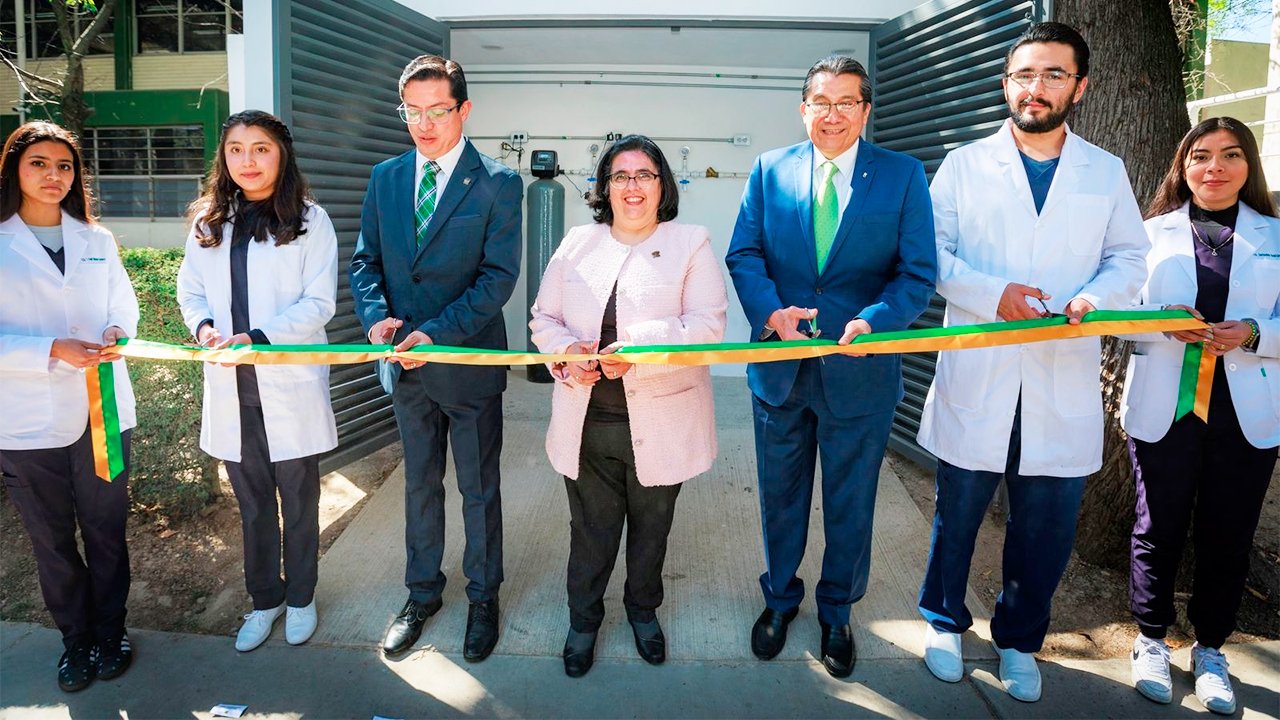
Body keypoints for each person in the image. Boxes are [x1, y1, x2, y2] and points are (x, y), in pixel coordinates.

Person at [914, 22, 1149, 702]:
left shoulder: (1103, 170)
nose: (1036, 88)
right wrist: (994, 295)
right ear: (1005, 83)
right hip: (981, 369)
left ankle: (1019, 638)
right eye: (1024, 75)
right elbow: (931, 254)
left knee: (1044, 526)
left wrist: (1092, 299)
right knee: (956, 514)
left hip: (1061, 370)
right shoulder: (963, 163)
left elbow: (1128, 258)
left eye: (1052, 75)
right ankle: (943, 622)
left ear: (1081, 86)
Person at [725, 55, 937, 678]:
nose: (833, 113)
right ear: (803, 108)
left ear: (866, 110)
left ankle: (838, 611)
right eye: (821, 101)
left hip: (861, 369)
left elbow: (916, 272)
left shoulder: (901, 175)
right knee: (780, 497)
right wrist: (769, 315)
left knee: (851, 499)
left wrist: (876, 318)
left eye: (847, 102)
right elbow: (745, 253)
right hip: (782, 369)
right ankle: (780, 599)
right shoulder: (770, 170)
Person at [529, 134, 728, 678]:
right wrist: (566, 352)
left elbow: (709, 326)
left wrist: (639, 348)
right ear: (604, 187)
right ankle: (583, 622)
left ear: (662, 186)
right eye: (620, 176)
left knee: (651, 527)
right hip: (587, 420)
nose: (632, 186)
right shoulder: (576, 244)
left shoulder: (690, 243)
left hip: (663, 421)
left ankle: (643, 612)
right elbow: (542, 319)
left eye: (644, 175)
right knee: (590, 530)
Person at [349, 54, 523, 662]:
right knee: (420, 484)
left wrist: (437, 334)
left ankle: (483, 596)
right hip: (403, 365)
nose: (424, 124)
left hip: (467, 363)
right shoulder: (387, 177)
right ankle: (422, 593)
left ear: (464, 110)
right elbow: (366, 262)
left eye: (438, 111)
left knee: (478, 487)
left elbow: (497, 278)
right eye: (413, 112)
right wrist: (376, 322)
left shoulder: (499, 182)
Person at [1121, 116, 1278, 715]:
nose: (1215, 167)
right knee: (1155, 527)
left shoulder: (1276, 235)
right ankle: (1151, 639)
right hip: (1169, 404)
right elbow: (1115, 307)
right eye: (1201, 156)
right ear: (1182, 167)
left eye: (1230, 155)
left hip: (1247, 411)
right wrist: (1158, 319)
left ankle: (1211, 650)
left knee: (1228, 534)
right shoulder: (1146, 233)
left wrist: (1255, 331)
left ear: (1249, 166)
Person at [176, 110, 339, 653]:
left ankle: (302, 599)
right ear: (223, 158)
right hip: (232, 387)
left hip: (286, 380)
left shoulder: (311, 220)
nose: (248, 160)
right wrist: (203, 329)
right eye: (237, 149)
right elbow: (191, 291)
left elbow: (319, 303)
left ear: (282, 155)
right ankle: (264, 600)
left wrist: (258, 337)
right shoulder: (207, 220)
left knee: (298, 502)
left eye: (261, 148)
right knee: (251, 507)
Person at [0, 121, 139, 691]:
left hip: (101, 410)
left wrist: (115, 329)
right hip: (25, 419)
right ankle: (75, 642)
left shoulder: (96, 240)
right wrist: (48, 349)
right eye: (39, 164)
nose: (53, 175)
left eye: (64, 166)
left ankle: (112, 633)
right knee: (51, 539)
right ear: (14, 169)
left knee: (107, 528)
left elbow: (123, 306)